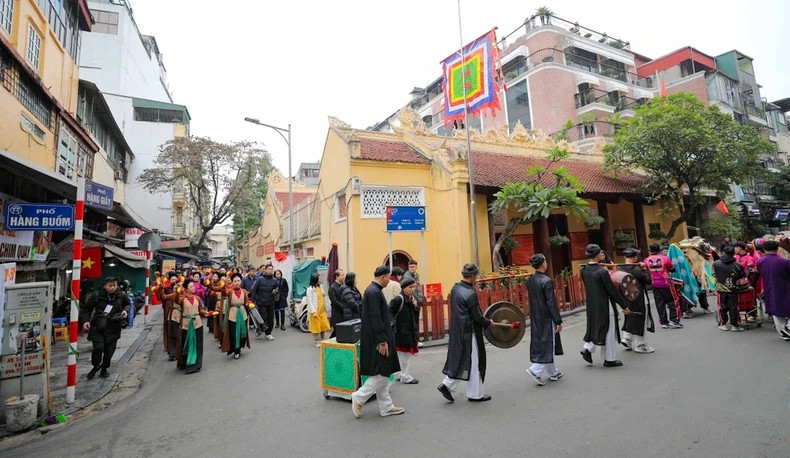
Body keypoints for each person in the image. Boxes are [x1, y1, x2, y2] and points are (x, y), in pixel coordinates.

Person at [439, 263, 504, 403]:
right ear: (473, 276)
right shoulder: (470, 294)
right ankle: (475, 394)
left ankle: (447, 384)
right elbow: (477, 317)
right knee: (475, 362)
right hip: (470, 333)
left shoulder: (456, 288)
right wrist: (489, 322)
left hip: (458, 330)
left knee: (462, 359)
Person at [351, 266, 404, 418]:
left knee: (384, 373)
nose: (390, 280)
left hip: (378, 337)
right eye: (388, 277)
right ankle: (359, 397)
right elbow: (375, 318)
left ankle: (386, 406)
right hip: (377, 339)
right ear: (382, 277)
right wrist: (381, 340)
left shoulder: (373, 290)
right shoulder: (374, 292)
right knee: (381, 373)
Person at [580, 244, 631, 367]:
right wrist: (624, 305)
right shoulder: (601, 271)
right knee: (609, 331)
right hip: (605, 304)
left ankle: (588, 348)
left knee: (595, 327)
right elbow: (611, 291)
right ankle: (609, 358)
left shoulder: (583, 270)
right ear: (598, 254)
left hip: (592, 304)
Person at [525, 254, 564, 386]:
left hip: (536, 315)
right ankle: (535, 370)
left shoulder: (530, 280)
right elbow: (551, 303)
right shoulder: (546, 281)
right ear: (543, 264)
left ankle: (553, 372)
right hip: (547, 317)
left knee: (544, 343)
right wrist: (558, 320)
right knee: (549, 344)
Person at [82, 277, 130, 379]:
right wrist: (86, 321)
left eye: (114, 285)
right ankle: (96, 366)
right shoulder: (97, 295)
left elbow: (128, 304)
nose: (112, 288)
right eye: (110, 286)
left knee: (109, 351)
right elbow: (87, 309)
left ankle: (104, 369)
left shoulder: (121, 295)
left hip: (114, 327)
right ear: (105, 286)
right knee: (98, 348)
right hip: (98, 326)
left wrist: (125, 310)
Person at [619, 248, 655, 354]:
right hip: (638, 297)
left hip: (625, 298)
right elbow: (648, 281)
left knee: (630, 317)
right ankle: (640, 344)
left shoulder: (620, 268)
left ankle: (627, 338)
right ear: (635, 257)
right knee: (641, 319)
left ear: (625, 257)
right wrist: (644, 269)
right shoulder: (636, 270)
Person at [756, 240, 790, 340]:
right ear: (777, 249)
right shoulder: (784, 262)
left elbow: (761, 274)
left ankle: (782, 331)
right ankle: (788, 328)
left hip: (770, 288)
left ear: (764, 249)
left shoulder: (760, 262)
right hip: (786, 288)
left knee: (776, 310)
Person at [390, 277, 421, 384]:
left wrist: (416, 305)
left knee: (401, 354)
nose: (412, 289)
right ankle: (406, 376)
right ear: (404, 288)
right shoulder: (399, 299)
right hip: (402, 331)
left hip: (408, 330)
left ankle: (399, 374)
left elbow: (415, 313)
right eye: (410, 287)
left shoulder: (411, 298)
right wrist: (393, 324)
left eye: (414, 287)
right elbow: (390, 311)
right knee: (405, 355)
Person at [645, 242, 681, 329]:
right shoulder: (665, 258)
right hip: (666, 283)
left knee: (659, 303)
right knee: (673, 301)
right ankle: (674, 320)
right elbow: (672, 269)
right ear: (659, 249)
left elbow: (646, 270)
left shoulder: (646, 260)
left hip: (655, 284)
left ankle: (663, 322)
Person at [176, 279, 209, 374]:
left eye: (193, 286)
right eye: (191, 286)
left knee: (198, 344)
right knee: (187, 344)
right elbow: (176, 300)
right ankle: (187, 363)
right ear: (185, 289)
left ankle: (197, 364)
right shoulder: (182, 299)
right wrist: (177, 291)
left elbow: (200, 309)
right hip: (186, 324)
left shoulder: (197, 298)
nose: (193, 288)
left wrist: (205, 313)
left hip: (197, 323)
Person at [713, 245, 747, 332]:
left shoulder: (716, 263)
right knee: (734, 307)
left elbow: (713, 275)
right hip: (734, 289)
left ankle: (723, 324)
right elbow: (742, 277)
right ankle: (734, 325)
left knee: (723, 306)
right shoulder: (738, 265)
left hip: (721, 289)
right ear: (734, 253)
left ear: (723, 253)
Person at [222, 273, 251, 358]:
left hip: (243, 314)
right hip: (233, 315)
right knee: (234, 333)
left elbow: (247, 301)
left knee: (243, 332)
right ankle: (236, 350)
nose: (237, 283)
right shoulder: (230, 292)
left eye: (238, 281)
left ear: (241, 281)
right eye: (235, 281)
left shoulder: (244, 291)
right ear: (232, 282)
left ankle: (240, 346)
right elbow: (223, 293)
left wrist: (249, 303)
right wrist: (223, 284)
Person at [157, 273, 182, 361]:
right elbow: (162, 297)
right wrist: (160, 288)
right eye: (172, 280)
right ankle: (172, 353)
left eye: (176, 280)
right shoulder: (171, 294)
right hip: (172, 315)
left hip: (183, 317)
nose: (174, 282)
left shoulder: (184, 295)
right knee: (172, 334)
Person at [253, 263, 278, 341]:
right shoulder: (259, 279)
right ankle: (259, 328)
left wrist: (276, 291)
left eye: (271, 269)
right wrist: (253, 300)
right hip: (261, 302)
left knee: (270, 319)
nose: (270, 270)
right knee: (264, 318)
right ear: (265, 270)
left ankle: (268, 334)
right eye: (269, 269)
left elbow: (277, 289)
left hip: (271, 302)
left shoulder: (274, 280)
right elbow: (254, 290)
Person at [306, 273, 331, 347]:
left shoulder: (321, 287)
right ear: (315, 279)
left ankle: (322, 340)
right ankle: (317, 341)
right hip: (315, 312)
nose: (320, 280)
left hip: (322, 311)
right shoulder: (310, 289)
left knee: (324, 326)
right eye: (318, 278)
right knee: (316, 328)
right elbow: (310, 301)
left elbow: (323, 297)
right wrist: (313, 312)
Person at [328, 269, 345, 336]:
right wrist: (344, 307)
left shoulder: (344, 286)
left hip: (344, 314)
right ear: (337, 276)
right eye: (342, 275)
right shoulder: (332, 288)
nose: (344, 276)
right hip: (337, 314)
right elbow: (334, 301)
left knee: (339, 334)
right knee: (337, 333)